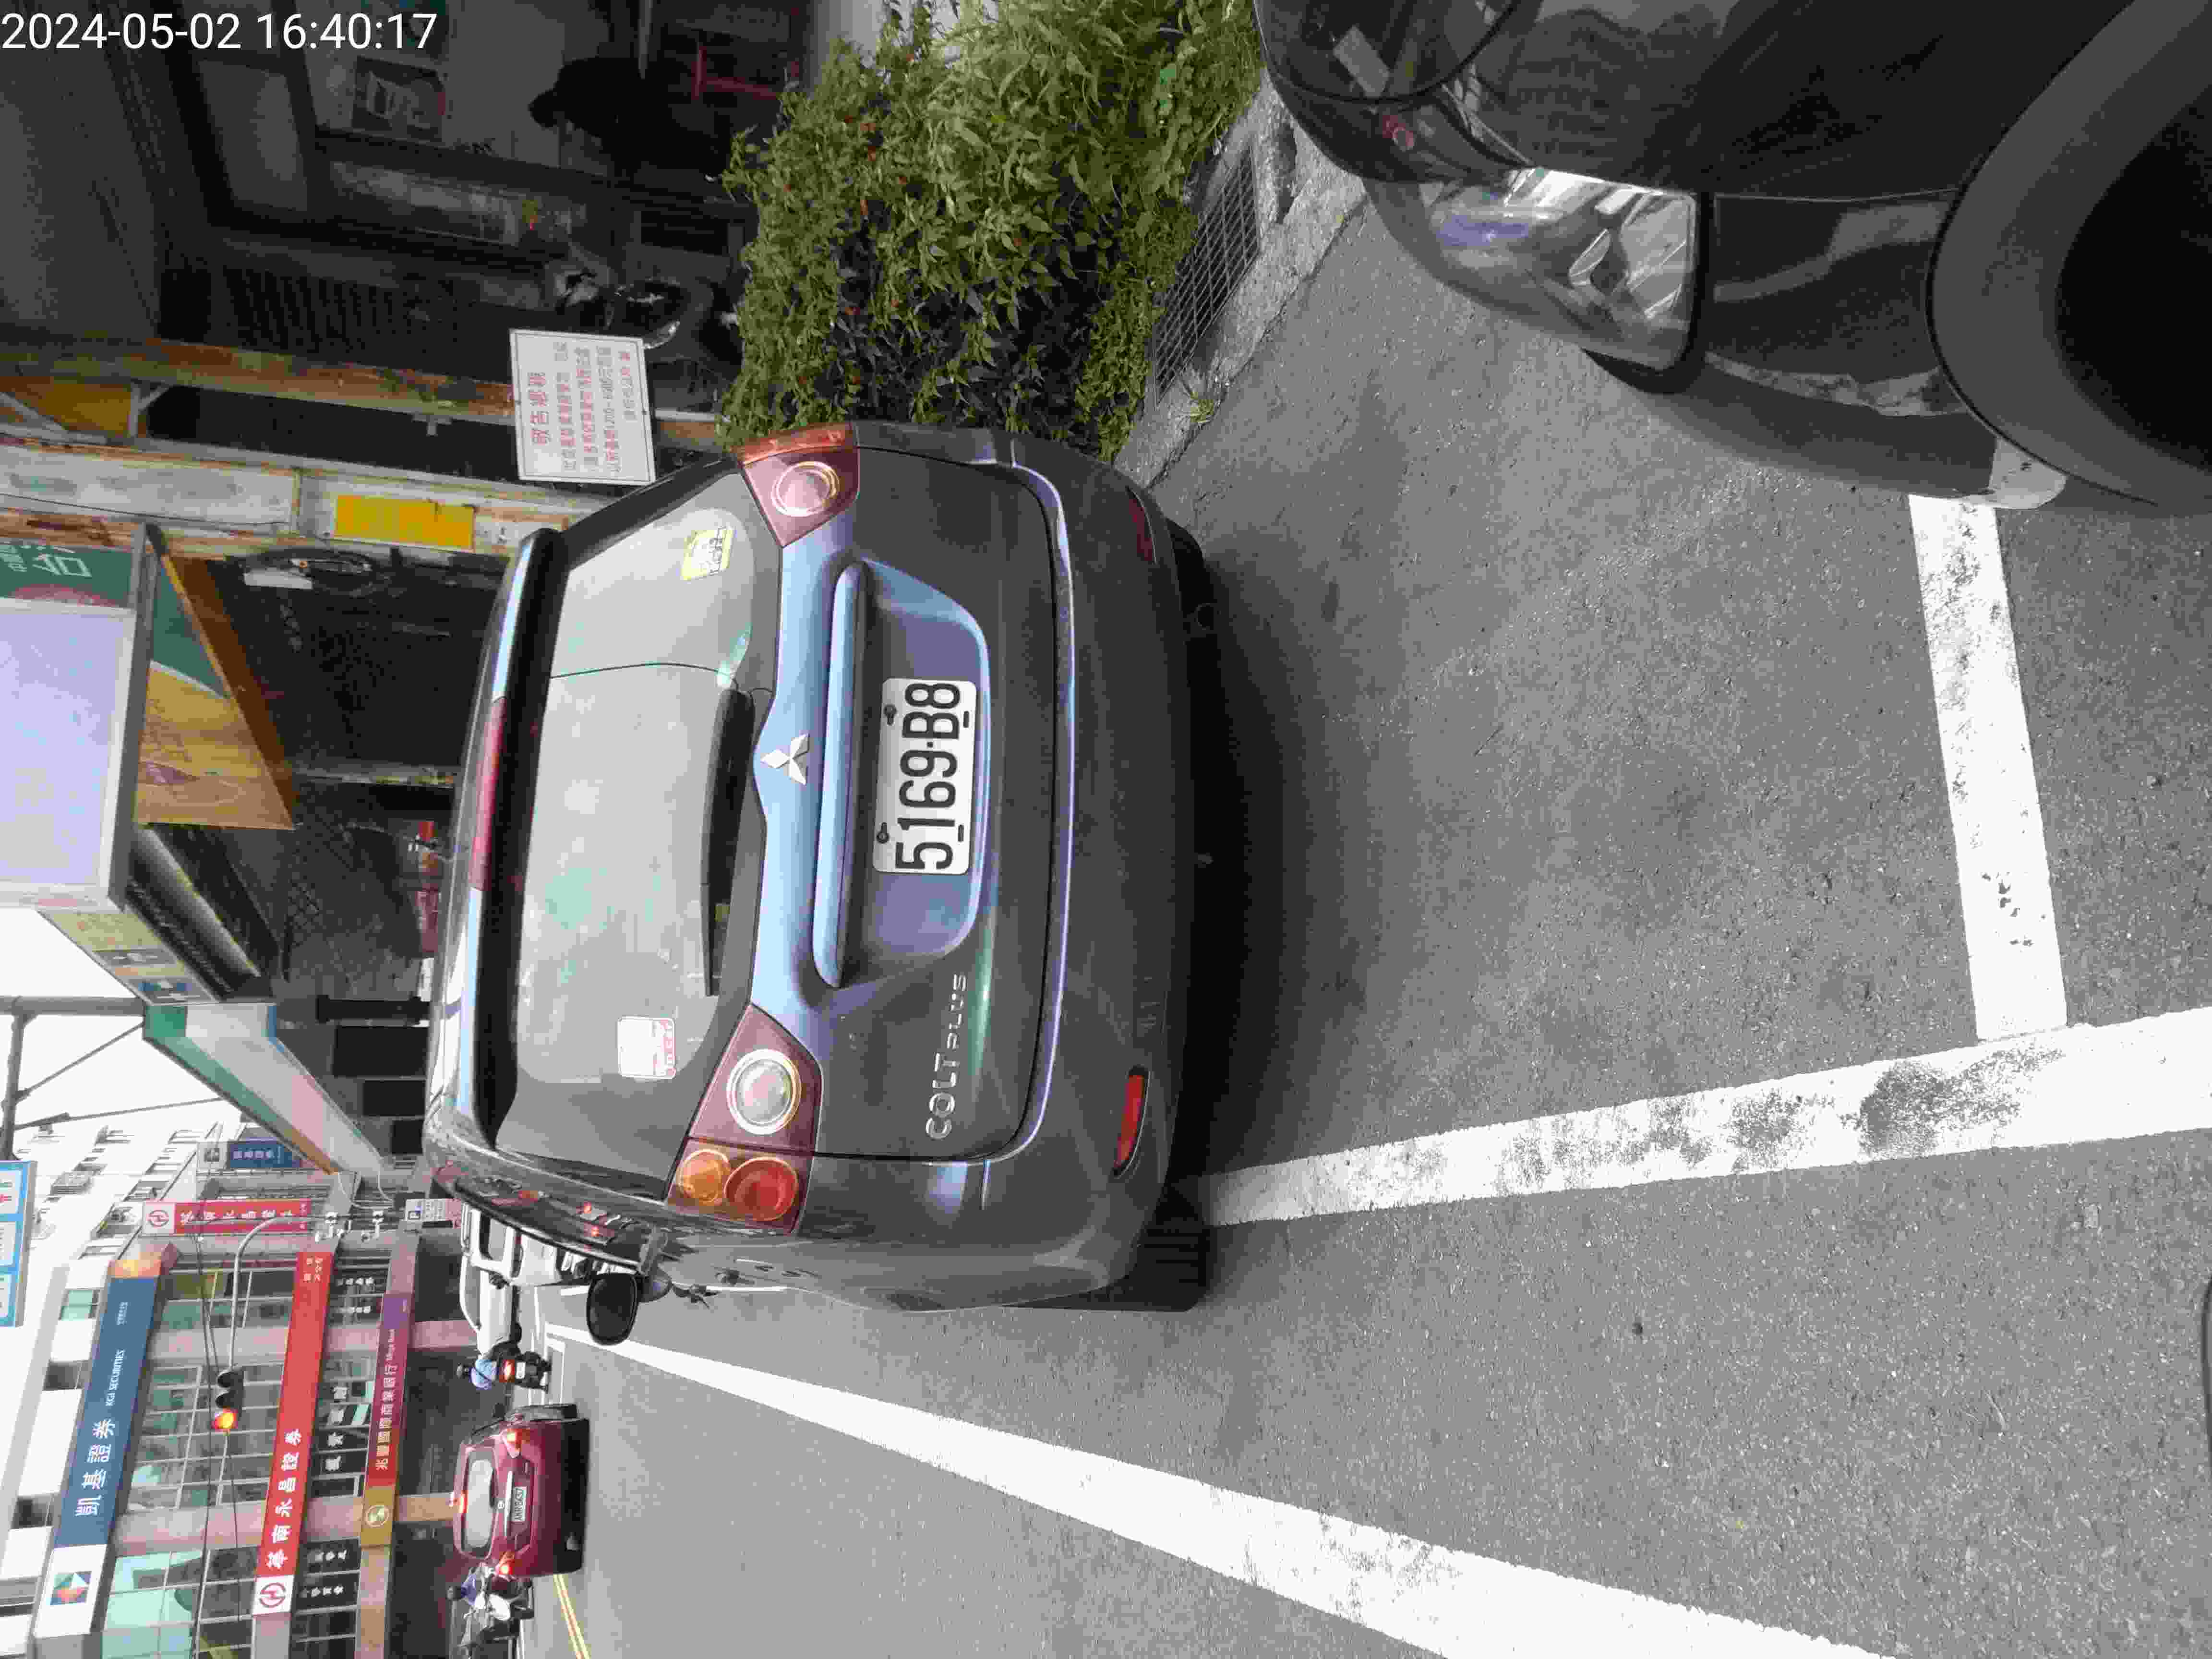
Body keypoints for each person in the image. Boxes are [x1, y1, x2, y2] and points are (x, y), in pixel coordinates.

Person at [528, 56, 729, 182]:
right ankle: (714, 150)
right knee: (671, 136)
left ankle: (713, 158)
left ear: (553, 114)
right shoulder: (567, 76)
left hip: (634, 110)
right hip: (634, 88)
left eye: (556, 123)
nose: (561, 126)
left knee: (666, 147)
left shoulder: (574, 109)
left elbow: (608, 125)